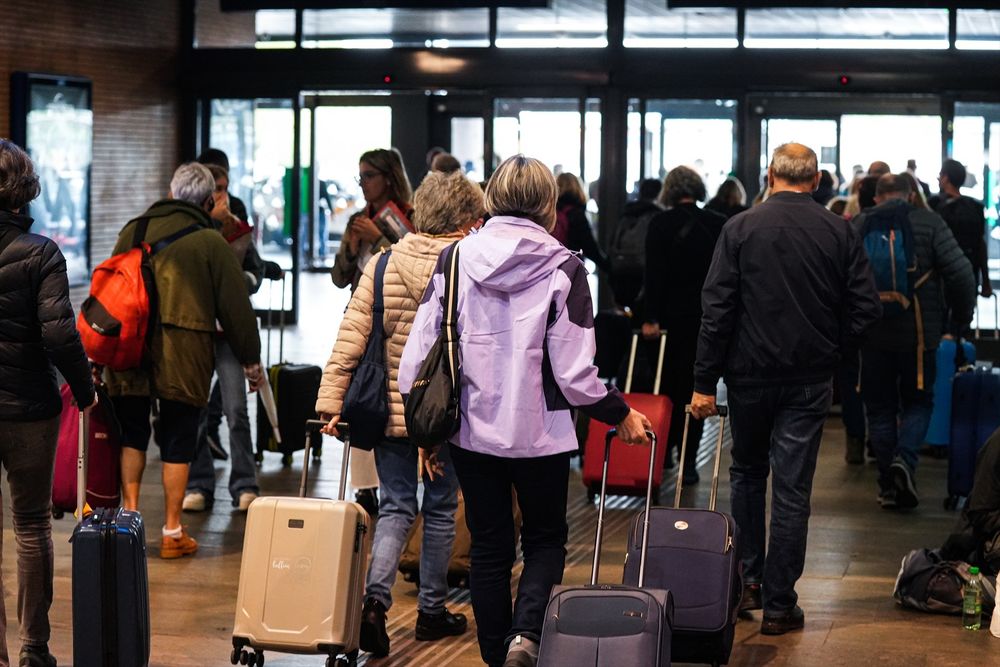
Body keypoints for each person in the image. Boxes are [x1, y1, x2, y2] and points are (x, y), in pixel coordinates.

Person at [399, 155, 651, 667]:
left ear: (491, 197)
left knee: (490, 546)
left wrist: (424, 431)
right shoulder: (565, 267)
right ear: (548, 205)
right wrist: (619, 412)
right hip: (543, 434)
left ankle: (496, 654)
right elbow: (576, 374)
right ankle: (526, 637)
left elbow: (418, 355)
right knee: (544, 538)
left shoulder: (454, 260)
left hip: (471, 431)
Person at [690, 143, 882, 636]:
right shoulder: (838, 230)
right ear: (816, 180)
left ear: (770, 174)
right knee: (793, 490)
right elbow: (866, 309)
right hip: (808, 380)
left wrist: (703, 382)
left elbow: (717, 311)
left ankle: (749, 582)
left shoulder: (739, 228)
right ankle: (780, 604)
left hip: (749, 376)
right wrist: (832, 352)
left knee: (748, 475)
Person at [317, 171, 484, 658]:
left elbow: (350, 336)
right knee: (439, 509)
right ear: (462, 220)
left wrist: (330, 402)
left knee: (394, 508)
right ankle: (431, 611)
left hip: (390, 413)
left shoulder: (384, 263)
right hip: (444, 413)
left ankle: (374, 605)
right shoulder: (468, 267)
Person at [104, 162, 262, 559]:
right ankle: (172, 531)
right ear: (210, 200)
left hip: (130, 347)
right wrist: (251, 360)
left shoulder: (133, 229)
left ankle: (130, 521)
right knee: (178, 436)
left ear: (172, 193)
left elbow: (109, 287)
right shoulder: (210, 241)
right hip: (183, 351)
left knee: (132, 432)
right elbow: (235, 308)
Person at [0, 138, 96, 667]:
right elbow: (60, 336)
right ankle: (34, 649)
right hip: (30, 409)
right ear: (24, 192)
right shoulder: (40, 253)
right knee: (32, 526)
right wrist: (85, 391)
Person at [853, 173, 976, 510]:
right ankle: (904, 461)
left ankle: (887, 485)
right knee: (918, 402)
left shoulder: (860, 223)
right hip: (920, 331)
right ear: (910, 195)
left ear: (877, 197)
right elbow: (961, 273)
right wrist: (960, 319)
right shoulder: (929, 222)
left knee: (879, 409)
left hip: (871, 331)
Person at [331, 148, 415, 518]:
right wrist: (351, 246)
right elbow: (338, 277)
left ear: (388, 177)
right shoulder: (356, 219)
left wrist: (379, 236)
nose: (363, 183)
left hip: (399, 325)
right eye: (360, 176)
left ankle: (401, 479)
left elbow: (412, 263)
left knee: (393, 402)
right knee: (359, 399)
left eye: (369, 176)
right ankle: (365, 486)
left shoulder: (409, 218)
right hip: (361, 320)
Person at [183, 162, 266, 513]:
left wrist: (243, 281)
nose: (222, 194)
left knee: (236, 409)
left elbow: (255, 271)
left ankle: (244, 483)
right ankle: (199, 483)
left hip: (229, 330)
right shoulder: (188, 227)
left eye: (224, 187)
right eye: (216, 187)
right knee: (196, 410)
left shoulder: (238, 224)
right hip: (198, 329)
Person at [642, 166, 727, 484]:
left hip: (667, 321)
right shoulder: (717, 223)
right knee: (698, 390)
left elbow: (653, 275)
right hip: (705, 320)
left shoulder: (660, 223)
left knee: (666, 390)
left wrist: (650, 317)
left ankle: (663, 454)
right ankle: (689, 463)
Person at [929, 159, 993, 298]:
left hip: (940, 273)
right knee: (965, 315)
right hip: (969, 270)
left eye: (940, 175)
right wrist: (986, 280)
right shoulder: (975, 207)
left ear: (945, 178)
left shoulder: (934, 205)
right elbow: (980, 244)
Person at [608, 177, 662, 312]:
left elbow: (612, 245)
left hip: (622, 275)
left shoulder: (627, 213)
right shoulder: (658, 217)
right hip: (645, 279)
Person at [554, 172, 610, 273]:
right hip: (570, 271)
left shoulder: (549, 213)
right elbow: (590, 248)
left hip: (551, 268)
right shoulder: (576, 214)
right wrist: (608, 267)